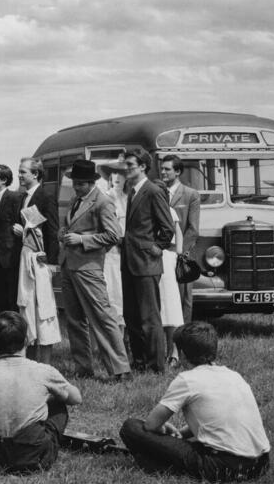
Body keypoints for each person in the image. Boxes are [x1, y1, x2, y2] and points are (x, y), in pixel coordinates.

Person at [119, 321, 271, 481]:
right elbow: (216, 419)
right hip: (260, 464)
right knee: (192, 443)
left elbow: (150, 425)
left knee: (131, 427)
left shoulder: (187, 380)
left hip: (223, 466)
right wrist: (181, 434)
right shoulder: (233, 375)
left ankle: (158, 465)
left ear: (183, 354)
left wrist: (164, 429)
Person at [0, 311, 82, 473]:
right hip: (33, 456)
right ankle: (42, 448)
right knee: (58, 404)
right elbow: (76, 398)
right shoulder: (44, 371)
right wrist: (50, 395)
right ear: (26, 340)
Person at [58, 159, 132, 381]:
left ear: (92, 182)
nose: (76, 187)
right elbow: (72, 225)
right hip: (69, 265)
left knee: (102, 317)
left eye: (81, 183)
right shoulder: (76, 200)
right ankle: (83, 368)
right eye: (74, 182)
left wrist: (82, 239)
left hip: (89, 268)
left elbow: (114, 235)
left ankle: (120, 370)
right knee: (74, 320)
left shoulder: (103, 202)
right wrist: (63, 233)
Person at [120, 148, 175, 374]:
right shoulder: (133, 192)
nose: (125, 169)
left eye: (130, 165)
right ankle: (140, 361)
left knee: (150, 317)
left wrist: (157, 247)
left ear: (143, 167)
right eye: (125, 164)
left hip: (146, 263)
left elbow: (167, 227)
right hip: (130, 261)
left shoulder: (152, 191)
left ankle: (155, 366)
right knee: (132, 316)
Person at [13, 157, 60, 364]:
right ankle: (30, 360)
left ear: (36, 174)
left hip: (39, 260)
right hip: (25, 259)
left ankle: (46, 364)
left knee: (43, 308)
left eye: (23, 172)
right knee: (27, 307)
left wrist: (52, 262)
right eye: (19, 171)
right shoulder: (22, 197)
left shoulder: (45, 196)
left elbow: (52, 230)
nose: (19, 175)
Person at [161, 155, 201, 323]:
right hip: (160, 253)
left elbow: (193, 229)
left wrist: (180, 253)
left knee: (183, 297)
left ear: (177, 172)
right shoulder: (157, 192)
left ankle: (184, 334)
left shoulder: (191, 195)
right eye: (162, 169)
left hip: (181, 255)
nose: (163, 172)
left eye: (167, 169)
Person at [0, 165, 22, 313]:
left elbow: (21, 222)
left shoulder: (15, 198)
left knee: (12, 298)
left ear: (4, 180)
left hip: (11, 258)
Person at [99, 160, 129, 332]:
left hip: (129, 253)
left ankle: (126, 336)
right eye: (113, 173)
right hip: (111, 253)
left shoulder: (130, 198)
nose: (117, 177)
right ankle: (115, 334)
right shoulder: (105, 197)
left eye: (121, 174)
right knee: (113, 294)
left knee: (126, 295)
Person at [158, 182, 185, 367]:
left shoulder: (168, 211)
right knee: (162, 307)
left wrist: (177, 255)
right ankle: (164, 352)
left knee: (170, 307)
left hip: (165, 259)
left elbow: (177, 234)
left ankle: (173, 352)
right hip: (157, 259)